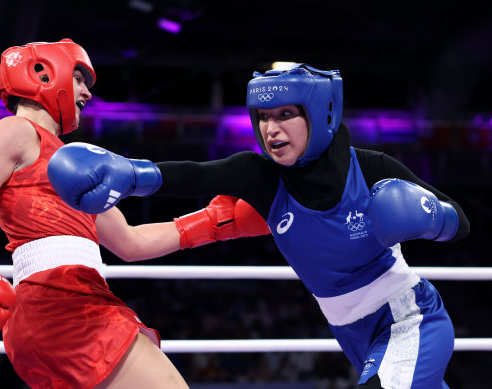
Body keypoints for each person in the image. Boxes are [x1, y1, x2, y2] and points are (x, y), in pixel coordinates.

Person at [49, 63, 470, 388]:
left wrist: (433, 216)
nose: (271, 129)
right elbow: (195, 175)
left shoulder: (373, 168)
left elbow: (461, 222)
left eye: (286, 114)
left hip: (407, 318)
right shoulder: (263, 178)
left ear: (320, 113)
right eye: (264, 116)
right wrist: (130, 175)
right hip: (351, 333)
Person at [0, 38, 269, 389]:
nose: (87, 93)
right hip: (64, 305)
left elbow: (130, 241)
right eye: (79, 79)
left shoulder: (73, 168)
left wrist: (216, 223)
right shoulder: (17, 131)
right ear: (44, 73)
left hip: (50, 315)